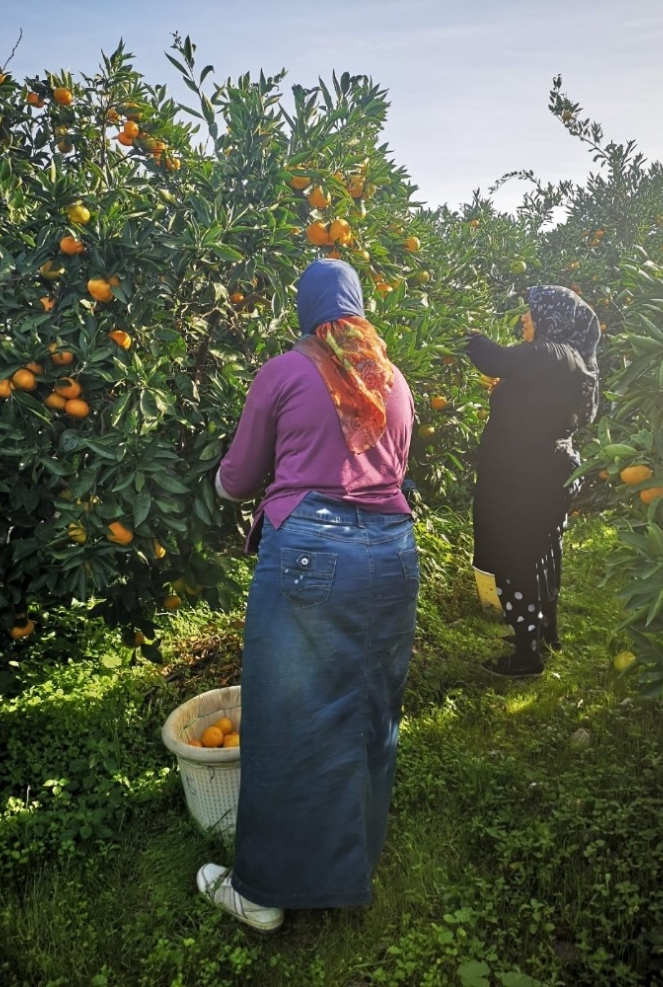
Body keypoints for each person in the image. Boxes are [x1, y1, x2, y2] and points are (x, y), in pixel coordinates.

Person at [196, 258, 419, 932]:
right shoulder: (394, 379)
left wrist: (218, 485)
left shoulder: (287, 371)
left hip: (312, 554)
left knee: (287, 717)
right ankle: (350, 861)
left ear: (306, 311)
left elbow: (238, 478)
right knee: (369, 709)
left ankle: (262, 893)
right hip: (391, 552)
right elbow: (394, 469)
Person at [465, 284, 601, 679]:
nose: (525, 318)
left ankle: (527, 656)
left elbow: (494, 359)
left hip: (527, 478)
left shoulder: (551, 351)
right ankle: (542, 634)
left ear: (551, 319)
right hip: (543, 474)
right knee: (541, 558)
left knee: (516, 557)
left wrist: (461, 333)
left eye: (532, 311)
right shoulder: (565, 358)